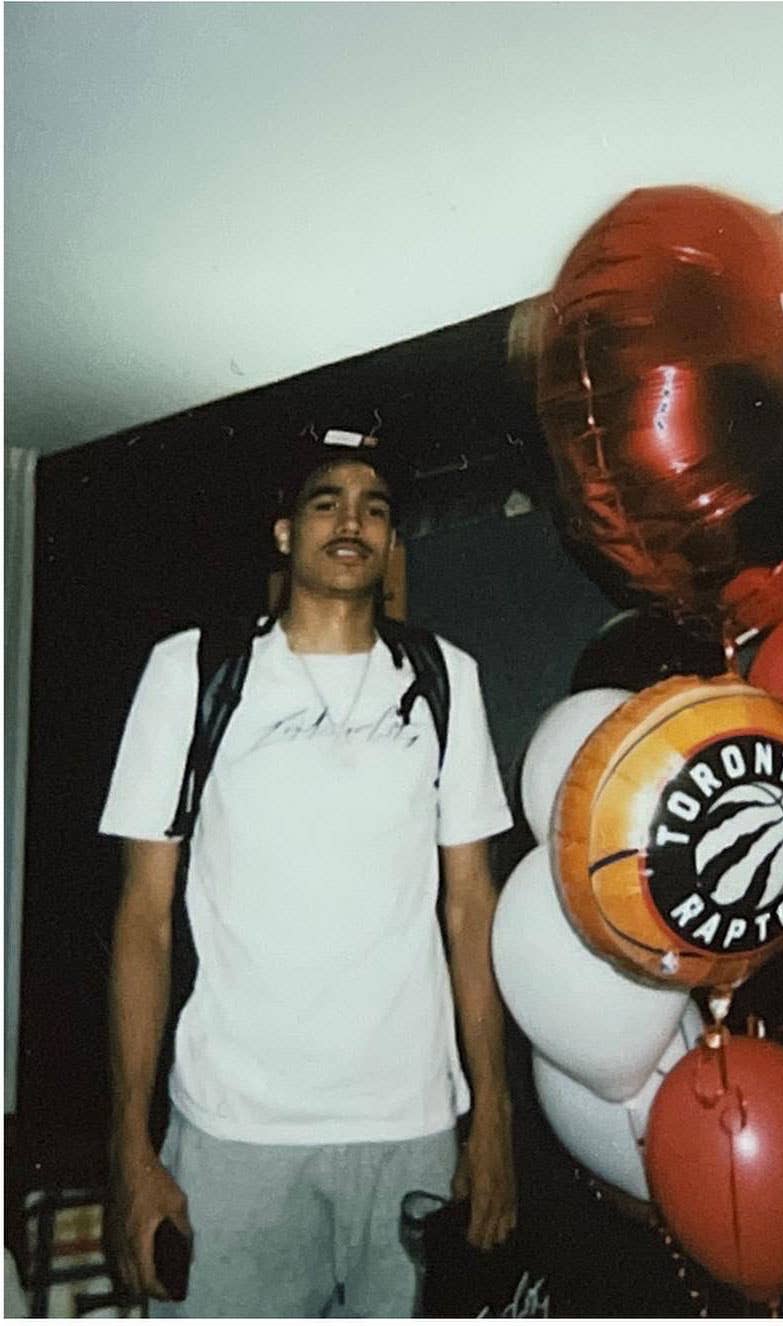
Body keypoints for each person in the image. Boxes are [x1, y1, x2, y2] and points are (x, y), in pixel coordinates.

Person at [101, 430, 517, 1317]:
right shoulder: (191, 673)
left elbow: (470, 909)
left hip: (410, 1132)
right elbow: (144, 920)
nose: (351, 521)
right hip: (233, 1133)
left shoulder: (447, 680)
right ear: (285, 532)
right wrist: (130, 1149)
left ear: (392, 539)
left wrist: (493, 1119)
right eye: (326, 501)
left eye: (375, 507)